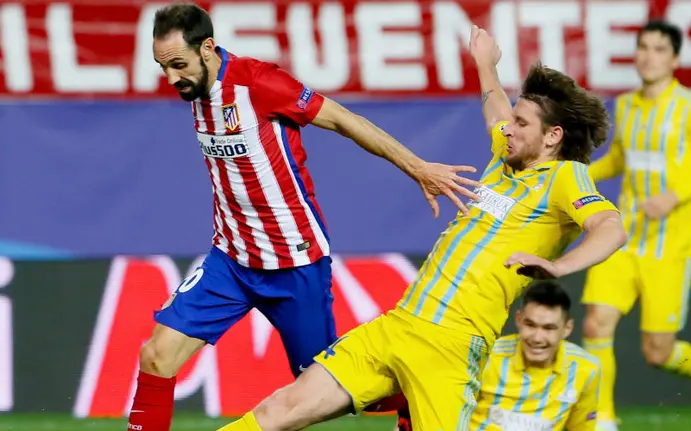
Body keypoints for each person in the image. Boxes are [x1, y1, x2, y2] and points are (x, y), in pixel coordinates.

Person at [217, 25, 627, 431]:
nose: (509, 129)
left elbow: (610, 226)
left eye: (521, 124)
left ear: (553, 136)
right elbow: (497, 109)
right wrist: (486, 63)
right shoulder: (508, 156)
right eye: (513, 122)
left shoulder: (564, 177)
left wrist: (559, 267)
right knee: (280, 410)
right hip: (399, 324)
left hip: (451, 346)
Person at [126, 3, 481, 431]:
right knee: (156, 356)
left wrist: (418, 167)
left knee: (328, 389)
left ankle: (408, 400)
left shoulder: (259, 83)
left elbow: (344, 119)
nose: (171, 79)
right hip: (231, 261)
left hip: (295, 264)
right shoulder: (198, 89)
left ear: (207, 48)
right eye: (162, 68)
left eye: (178, 65)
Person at [580, 20, 691, 431]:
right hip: (622, 239)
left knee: (658, 352)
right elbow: (619, 161)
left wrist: (674, 195)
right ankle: (603, 420)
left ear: (675, 59)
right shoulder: (626, 105)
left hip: (670, 248)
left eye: (659, 49)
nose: (649, 56)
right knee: (596, 322)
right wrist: (578, 174)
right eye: (643, 47)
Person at [471, 281, 601, 431]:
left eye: (549, 328)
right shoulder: (488, 355)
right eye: (530, 325)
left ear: (567, 328)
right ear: (518, 320)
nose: (537, 338)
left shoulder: (585, 369)